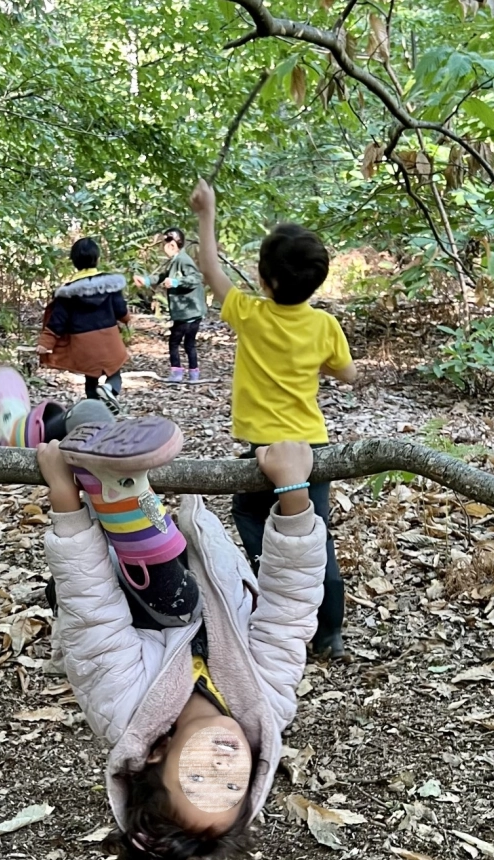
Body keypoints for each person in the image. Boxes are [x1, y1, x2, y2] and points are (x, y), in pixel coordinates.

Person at [0, 366, 327, 860]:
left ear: (155, 755)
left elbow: (92, 611)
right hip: (172, 540)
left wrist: (62, 498)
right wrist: (294, 494)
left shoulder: (125, 706)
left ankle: (113, 486)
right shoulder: (266, 702)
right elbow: (291, 611)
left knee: (179, 608)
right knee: (91, 422)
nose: (221, 765)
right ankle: (33, 435)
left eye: (198, 779)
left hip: (110, 571)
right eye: (232, 784)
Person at [189, 178, 358, 661]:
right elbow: (348, 374)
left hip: (262, 450)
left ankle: (273, 581)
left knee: (249, 513)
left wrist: (207, 213)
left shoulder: (250, 313)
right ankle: (329, 633)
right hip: (311, 451)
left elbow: (210, 270)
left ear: (264, 280)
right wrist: (324, 361)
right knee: (313, 532)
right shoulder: (325, 326)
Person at [37, 238, 130, 411]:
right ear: (97, 258)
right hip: (109, 339)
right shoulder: (110, 285)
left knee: (91, 379)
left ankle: (95, 412)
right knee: (115, 373)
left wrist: (45, 343)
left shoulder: (67, 292)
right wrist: (127, 319)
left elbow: (58, 321)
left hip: (84, 345)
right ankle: (109, 390)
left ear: (74, 262)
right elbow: (120, 310)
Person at [133, 228, 207, 383]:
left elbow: (196, 278)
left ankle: (177, 374)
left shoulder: (183, 260)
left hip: (188, 312)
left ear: (172, 245)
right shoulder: (174, 261)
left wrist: (176, 282)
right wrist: (146, 280)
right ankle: (193, 374)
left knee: (175, 342)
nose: (163, 248)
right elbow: (162, 276)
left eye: (164, 244)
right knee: (189, 344)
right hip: (190, 311)